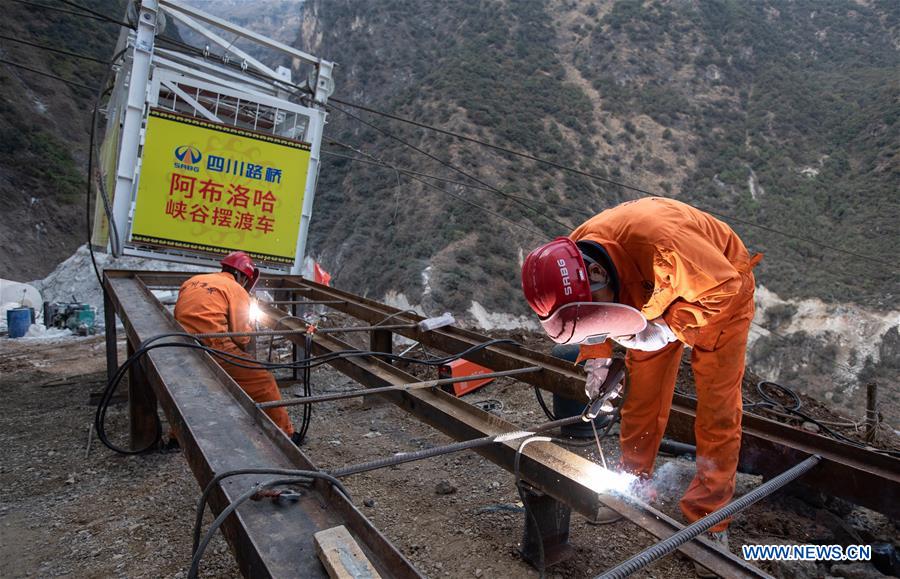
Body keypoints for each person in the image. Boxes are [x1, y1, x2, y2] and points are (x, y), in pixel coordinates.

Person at [521, 197, 761, 571]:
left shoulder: (669, 245)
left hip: (717, 295)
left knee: (717, 407)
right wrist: (598, 356)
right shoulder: (572, 259)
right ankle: (635, 486)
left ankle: (708, 519)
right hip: (645, 297)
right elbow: (583, 311)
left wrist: (669, 326)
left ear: (598, 273)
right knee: (642, 399)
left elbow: (725, 288)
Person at [174, 251, 299, 444]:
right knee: (262, 379)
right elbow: (241, 336)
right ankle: (285, 435)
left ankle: (177, 437)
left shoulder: (195, 279)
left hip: (178, 341)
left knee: (189, 387)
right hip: (213, 344)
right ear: (242, 276)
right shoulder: (236, 289)